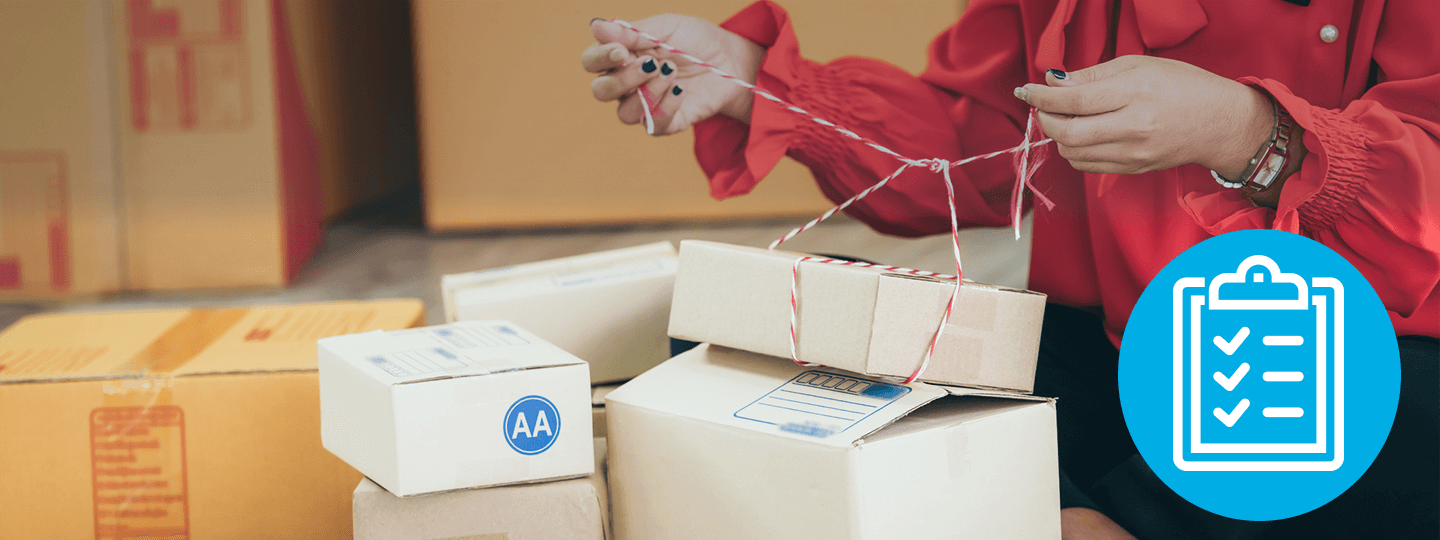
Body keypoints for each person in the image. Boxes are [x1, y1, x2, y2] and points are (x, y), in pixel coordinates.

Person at [580, 1, 1439, 538]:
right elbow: (977, 146)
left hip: (1341, 355)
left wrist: (1251, 134)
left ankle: (1070, 509)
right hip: (1116, 347)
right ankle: (1084, 509)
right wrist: (759, 83)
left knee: (1397, 415)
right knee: (746, 355)